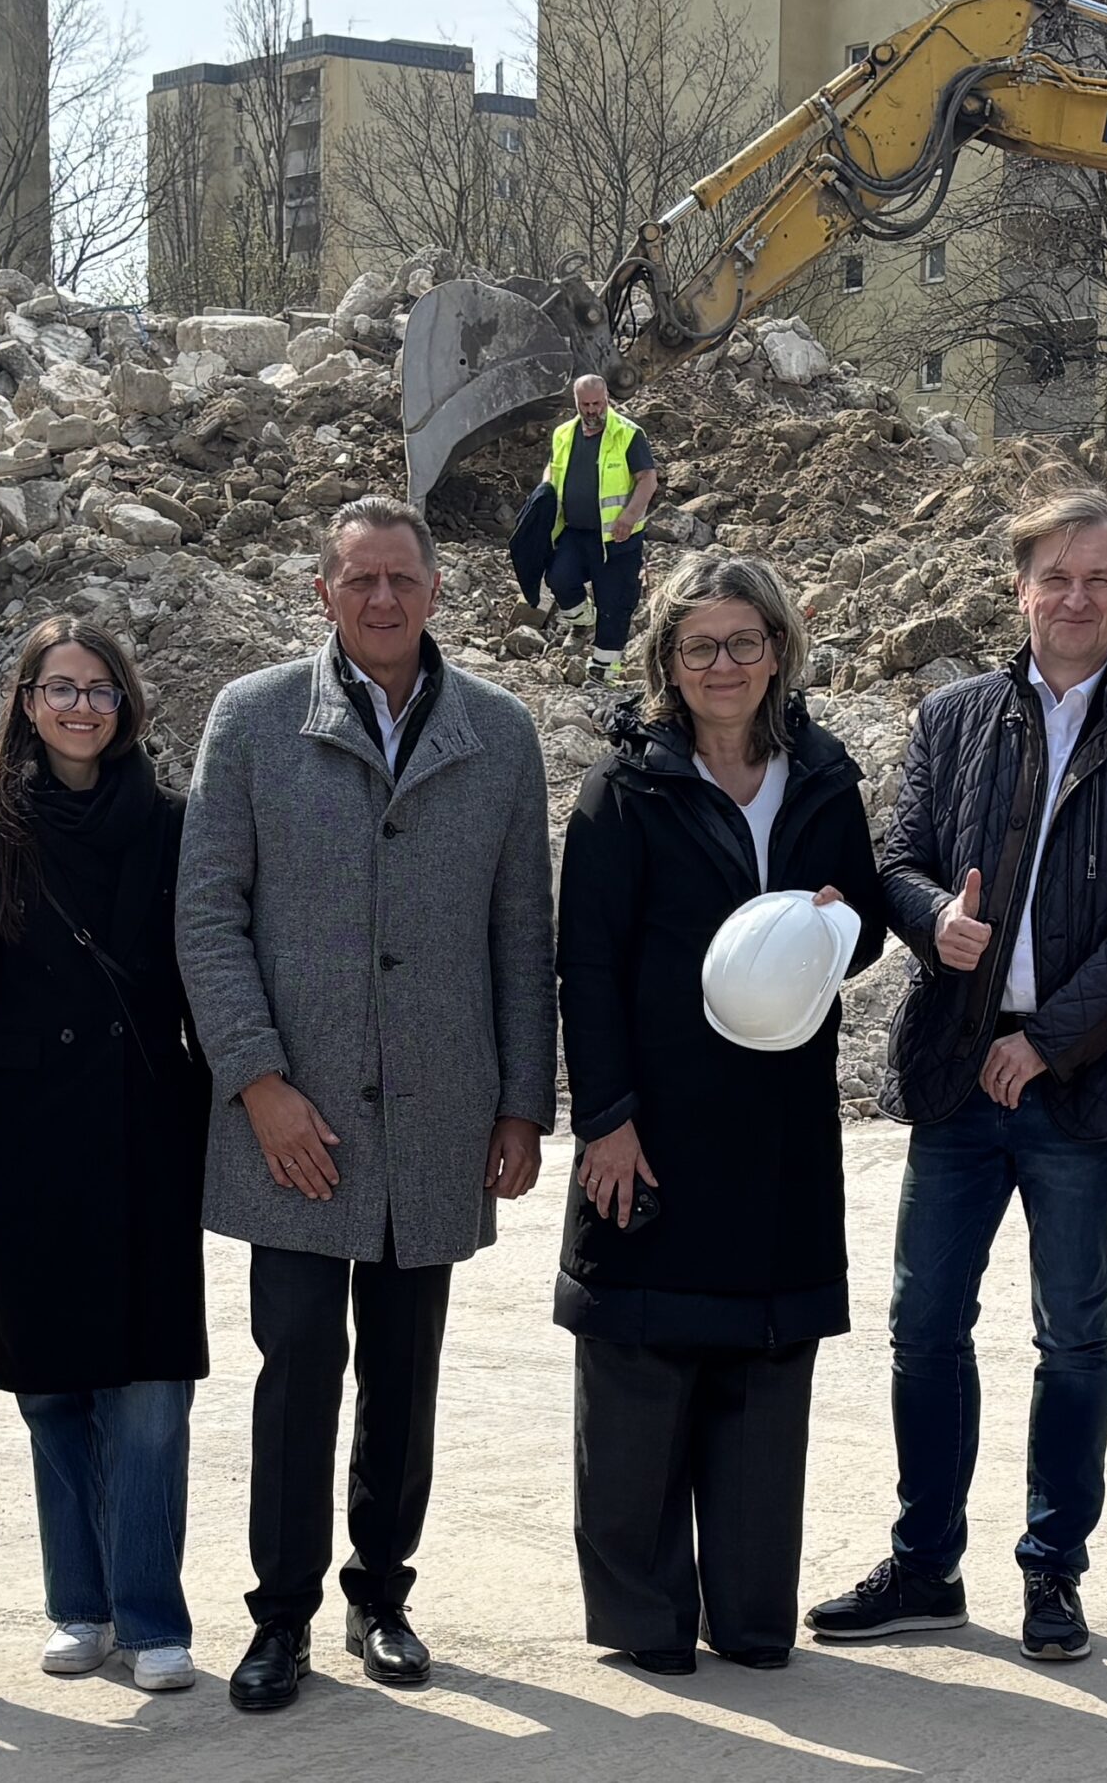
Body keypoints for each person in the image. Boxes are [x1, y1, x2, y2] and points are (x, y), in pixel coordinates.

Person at [808, 485, 1107, 1664]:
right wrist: (933, 917)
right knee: (923, 1325)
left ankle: (1052, 1570)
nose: (1075, 598)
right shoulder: (951, 717)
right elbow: (898, 858)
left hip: (1079, 1080)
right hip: (956, 1063)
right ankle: (925, 1565)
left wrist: (1047, 1042)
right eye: (1054, 578)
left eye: (1099, 579)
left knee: (1072, 1335)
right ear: (1019, 589)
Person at [178, 494, 556, 1713]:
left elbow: (522, 930)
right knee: (297, 1364)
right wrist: (259, 1082)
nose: (381, 599)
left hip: (438, 1112)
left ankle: (381, 1593)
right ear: (323, 592)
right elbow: (208, 914)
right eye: (358, 580)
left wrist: (521, 1102)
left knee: (405, 1369)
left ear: (436, 591)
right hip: (295, 1117)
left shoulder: (499, 732)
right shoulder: (253, 717)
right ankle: (279, 1615)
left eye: (401, 579)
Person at [554, 553, 886, 1673]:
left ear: (779, 650)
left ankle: (747, 1613)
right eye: (699, 646)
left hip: (779, 1124)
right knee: (641, 1372)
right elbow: (586, 963)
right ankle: (646, 1620)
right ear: (668, 660)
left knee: (763, 1372)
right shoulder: (624, 789)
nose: (724, 664)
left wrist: (838, 924)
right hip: (653, 1120)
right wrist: (605, 1118)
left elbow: (861, 926)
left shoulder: (824, 781)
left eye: (745, 641)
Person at [0, 616, 211, 1693]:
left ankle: (151, 1615)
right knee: (52, 1385)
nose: (80, 707)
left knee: (149, 1387)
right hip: (29, 1132)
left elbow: (204, 974)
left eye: (100, 689)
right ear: (26, 701)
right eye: (59, 687)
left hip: (144, 1122)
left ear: (126, 704)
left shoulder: (173, 821)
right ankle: (80, 1605)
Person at [527, 374, 659, 685]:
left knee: (614, 603)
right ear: (576, 403)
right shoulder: (563, 433)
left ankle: (604, 672)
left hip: (616, 539)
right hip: (575, 532)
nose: (591, 410)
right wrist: (545, 492)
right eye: (585, 405)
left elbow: (647, 480)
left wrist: (629, 516)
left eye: (597, 404)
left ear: (607, 399)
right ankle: (582, 621)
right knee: (559, 578)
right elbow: (553, 468)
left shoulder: (627, 434)